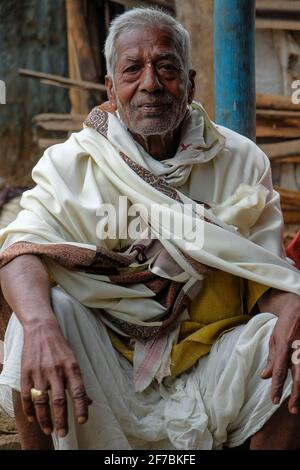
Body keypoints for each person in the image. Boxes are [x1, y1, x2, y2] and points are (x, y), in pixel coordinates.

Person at [1, 7, 300, 450]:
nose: (151, 84)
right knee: (34, 326)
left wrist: (294, 305)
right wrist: (41, 324)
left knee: (292, 350)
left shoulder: (241, 160)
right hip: (105, 367)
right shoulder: (74, 163)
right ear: (110, 87)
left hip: (211, 365)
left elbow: (265, 274)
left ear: (191, 82)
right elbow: (18, 249)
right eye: (132, 69)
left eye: (166, 67)